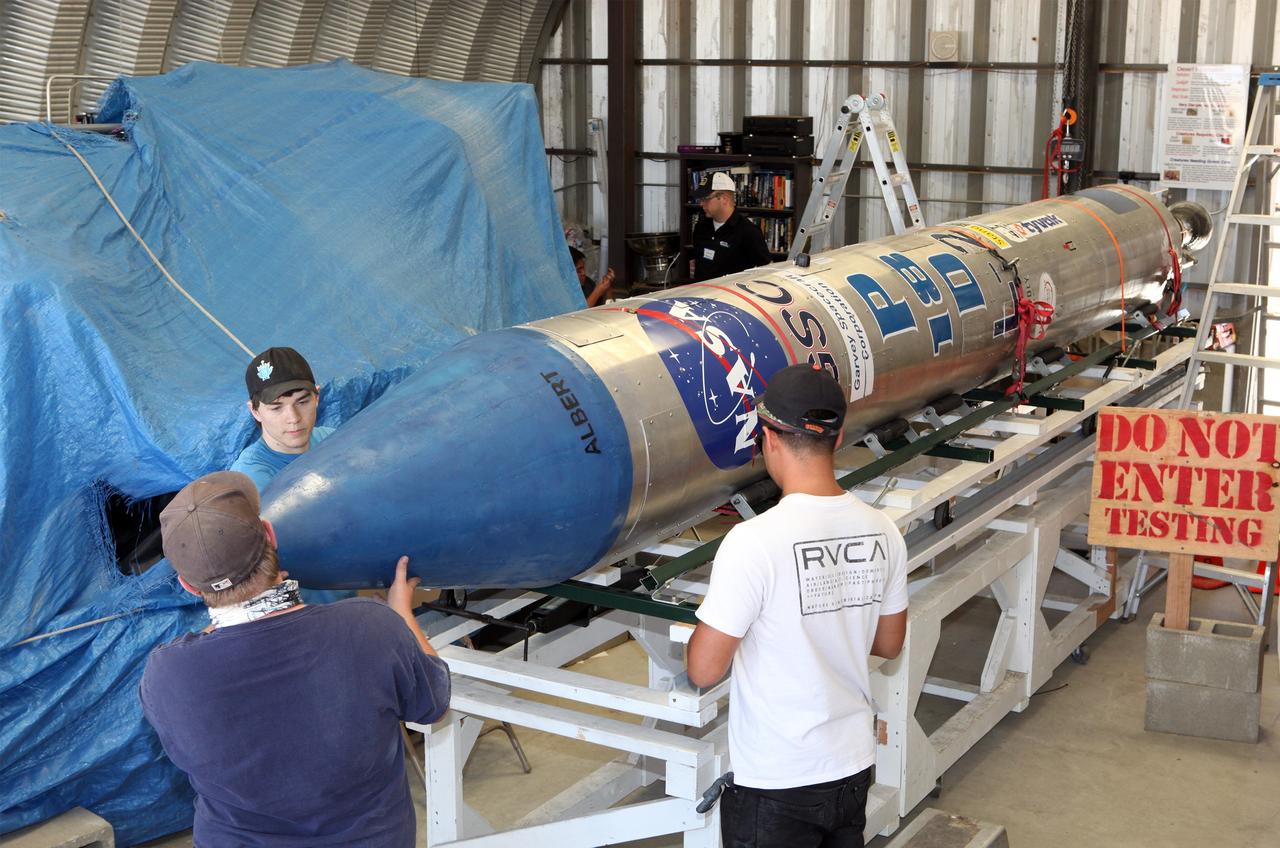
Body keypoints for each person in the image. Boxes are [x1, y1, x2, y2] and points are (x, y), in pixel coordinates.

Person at [141, 471, 450, 847]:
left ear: (189, 585)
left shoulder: (165, 674)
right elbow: (434, 705)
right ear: (270, 535)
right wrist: (402, 616)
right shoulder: (370, 627)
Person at [686, 363, 909, 848]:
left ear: (768, 435)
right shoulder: (883, 530)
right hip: (851, 767)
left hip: (778, 779)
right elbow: (890, 644)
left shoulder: (753, 542)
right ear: (840, 436)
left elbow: (704, 669)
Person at [230, 346, 333, 493]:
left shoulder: (331, 438)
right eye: (276, 408)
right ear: (255, 411)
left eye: (302, 402)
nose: (294, 418)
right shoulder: (250, 482)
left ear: (317, 397)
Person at [690, 171, 772, 282]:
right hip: (700, 295)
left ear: (724, 199)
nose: (701, 204)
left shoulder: (748, 231)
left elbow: (768, 271)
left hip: (730, 296)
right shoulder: (701, 227)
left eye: (706, 199)